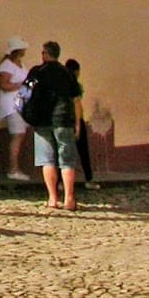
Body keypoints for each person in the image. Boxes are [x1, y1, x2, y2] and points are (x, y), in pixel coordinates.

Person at [26, 40, 82, 211]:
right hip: (64, 120)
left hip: (42, 120)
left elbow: (25, 92)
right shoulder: (67, 73)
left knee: (47, 160)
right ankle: (69, 198)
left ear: (45, 54)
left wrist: (27, 114)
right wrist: (78, 123)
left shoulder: (36, 72)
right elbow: (76, 100)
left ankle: (52, 198)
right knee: (67, 161)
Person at [0, 37, 32, 181]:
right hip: (12, 105)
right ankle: (13, 169)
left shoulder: (19, 64)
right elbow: (3, 85)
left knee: (19, 135)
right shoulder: (7, 65)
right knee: (17, 136)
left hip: (20, 104)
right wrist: (21, 85)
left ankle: (15, 168)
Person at [65, 58, 98, 189]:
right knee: (83, 151)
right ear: (76, 71)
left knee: (64, 152)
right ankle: (88, 179)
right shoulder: (75, 85)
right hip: (75, 119)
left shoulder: (61, 84)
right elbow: (77, 104)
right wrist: (78, 124)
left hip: (63, 120)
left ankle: (62, 182)